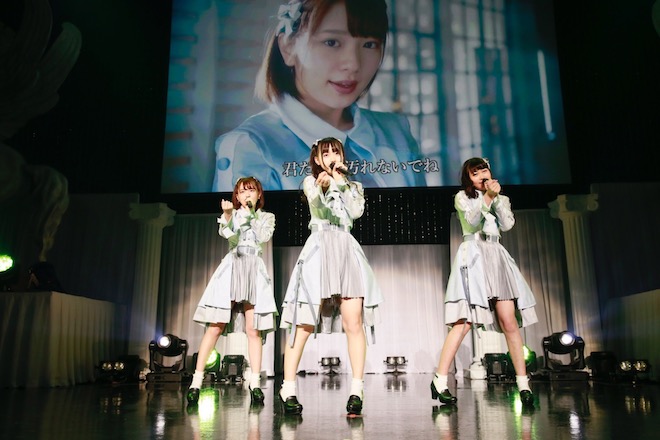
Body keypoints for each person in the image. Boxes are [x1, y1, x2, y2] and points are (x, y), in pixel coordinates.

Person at [212, 0, 431, 192]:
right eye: (332, 42)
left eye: (369, 44)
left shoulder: (396, 130)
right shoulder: (252, 146)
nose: (353, 64)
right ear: (288, 47)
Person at [278, 137, 383, 416]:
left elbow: (356, 212)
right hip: (319, 249)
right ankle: (288, 387)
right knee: (304, 323)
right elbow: (319, 206)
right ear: (316, 159)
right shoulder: (310, 182)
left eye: (336, 151)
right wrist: (325, 187)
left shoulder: (353, 186)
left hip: (346, 249)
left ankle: (357, 390)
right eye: (326, 153)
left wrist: (341, 182)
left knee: (354, 322)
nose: (332, 156)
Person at [431, 157, 537, 408]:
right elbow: (472, 221)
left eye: (484, 170)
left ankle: (523, 384)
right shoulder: (462, 197)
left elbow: (508, 224)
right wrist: (487, 197)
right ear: (468, 178)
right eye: (475, 172)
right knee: (464, 323)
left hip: (496, 255)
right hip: (473, 257)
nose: (481, 175)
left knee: (509, 322)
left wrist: (496, 199)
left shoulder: (501, 199)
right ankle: (440, 380)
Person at [187, 177, 278, 406]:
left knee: (253, 329)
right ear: (236, 196)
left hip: (254, 268)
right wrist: (228, 216)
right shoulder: (232, 215)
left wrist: (252, 214)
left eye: (251, 190)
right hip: (233, 266)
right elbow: (230, 236)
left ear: (259, 194)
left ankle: (255, 384)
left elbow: (263, 236)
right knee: (215, 326)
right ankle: (196, 382)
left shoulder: (266, 216)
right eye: (242, 191)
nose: (247, 194)